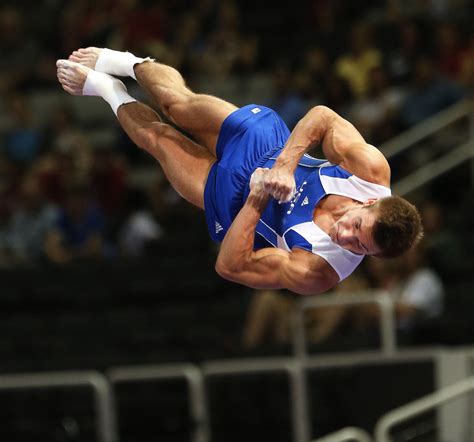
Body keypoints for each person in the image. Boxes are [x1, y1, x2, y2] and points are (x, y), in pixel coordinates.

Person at [56, 46, 423, 296]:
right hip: (265, 145)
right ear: (371, 201)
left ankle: (109, 90)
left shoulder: (319, 270)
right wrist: (283, 167)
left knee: (157, 138)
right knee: (177, 105)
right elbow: (323, 118)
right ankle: (130, 63)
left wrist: (257, 199)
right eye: (357, 227)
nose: (347, 237)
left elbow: (230, 267)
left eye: (360, 247)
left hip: (236, 204)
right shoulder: (370, 171)